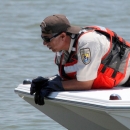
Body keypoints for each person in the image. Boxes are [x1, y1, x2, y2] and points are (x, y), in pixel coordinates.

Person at [30, 14, 130, 105]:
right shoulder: (62, 49)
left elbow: (84, 84)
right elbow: (68, 78)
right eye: (43, 38)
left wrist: (53, 85)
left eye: (47, 39)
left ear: (63, 36)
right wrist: (47, 81)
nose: (44, 43)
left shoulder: (87, 43)